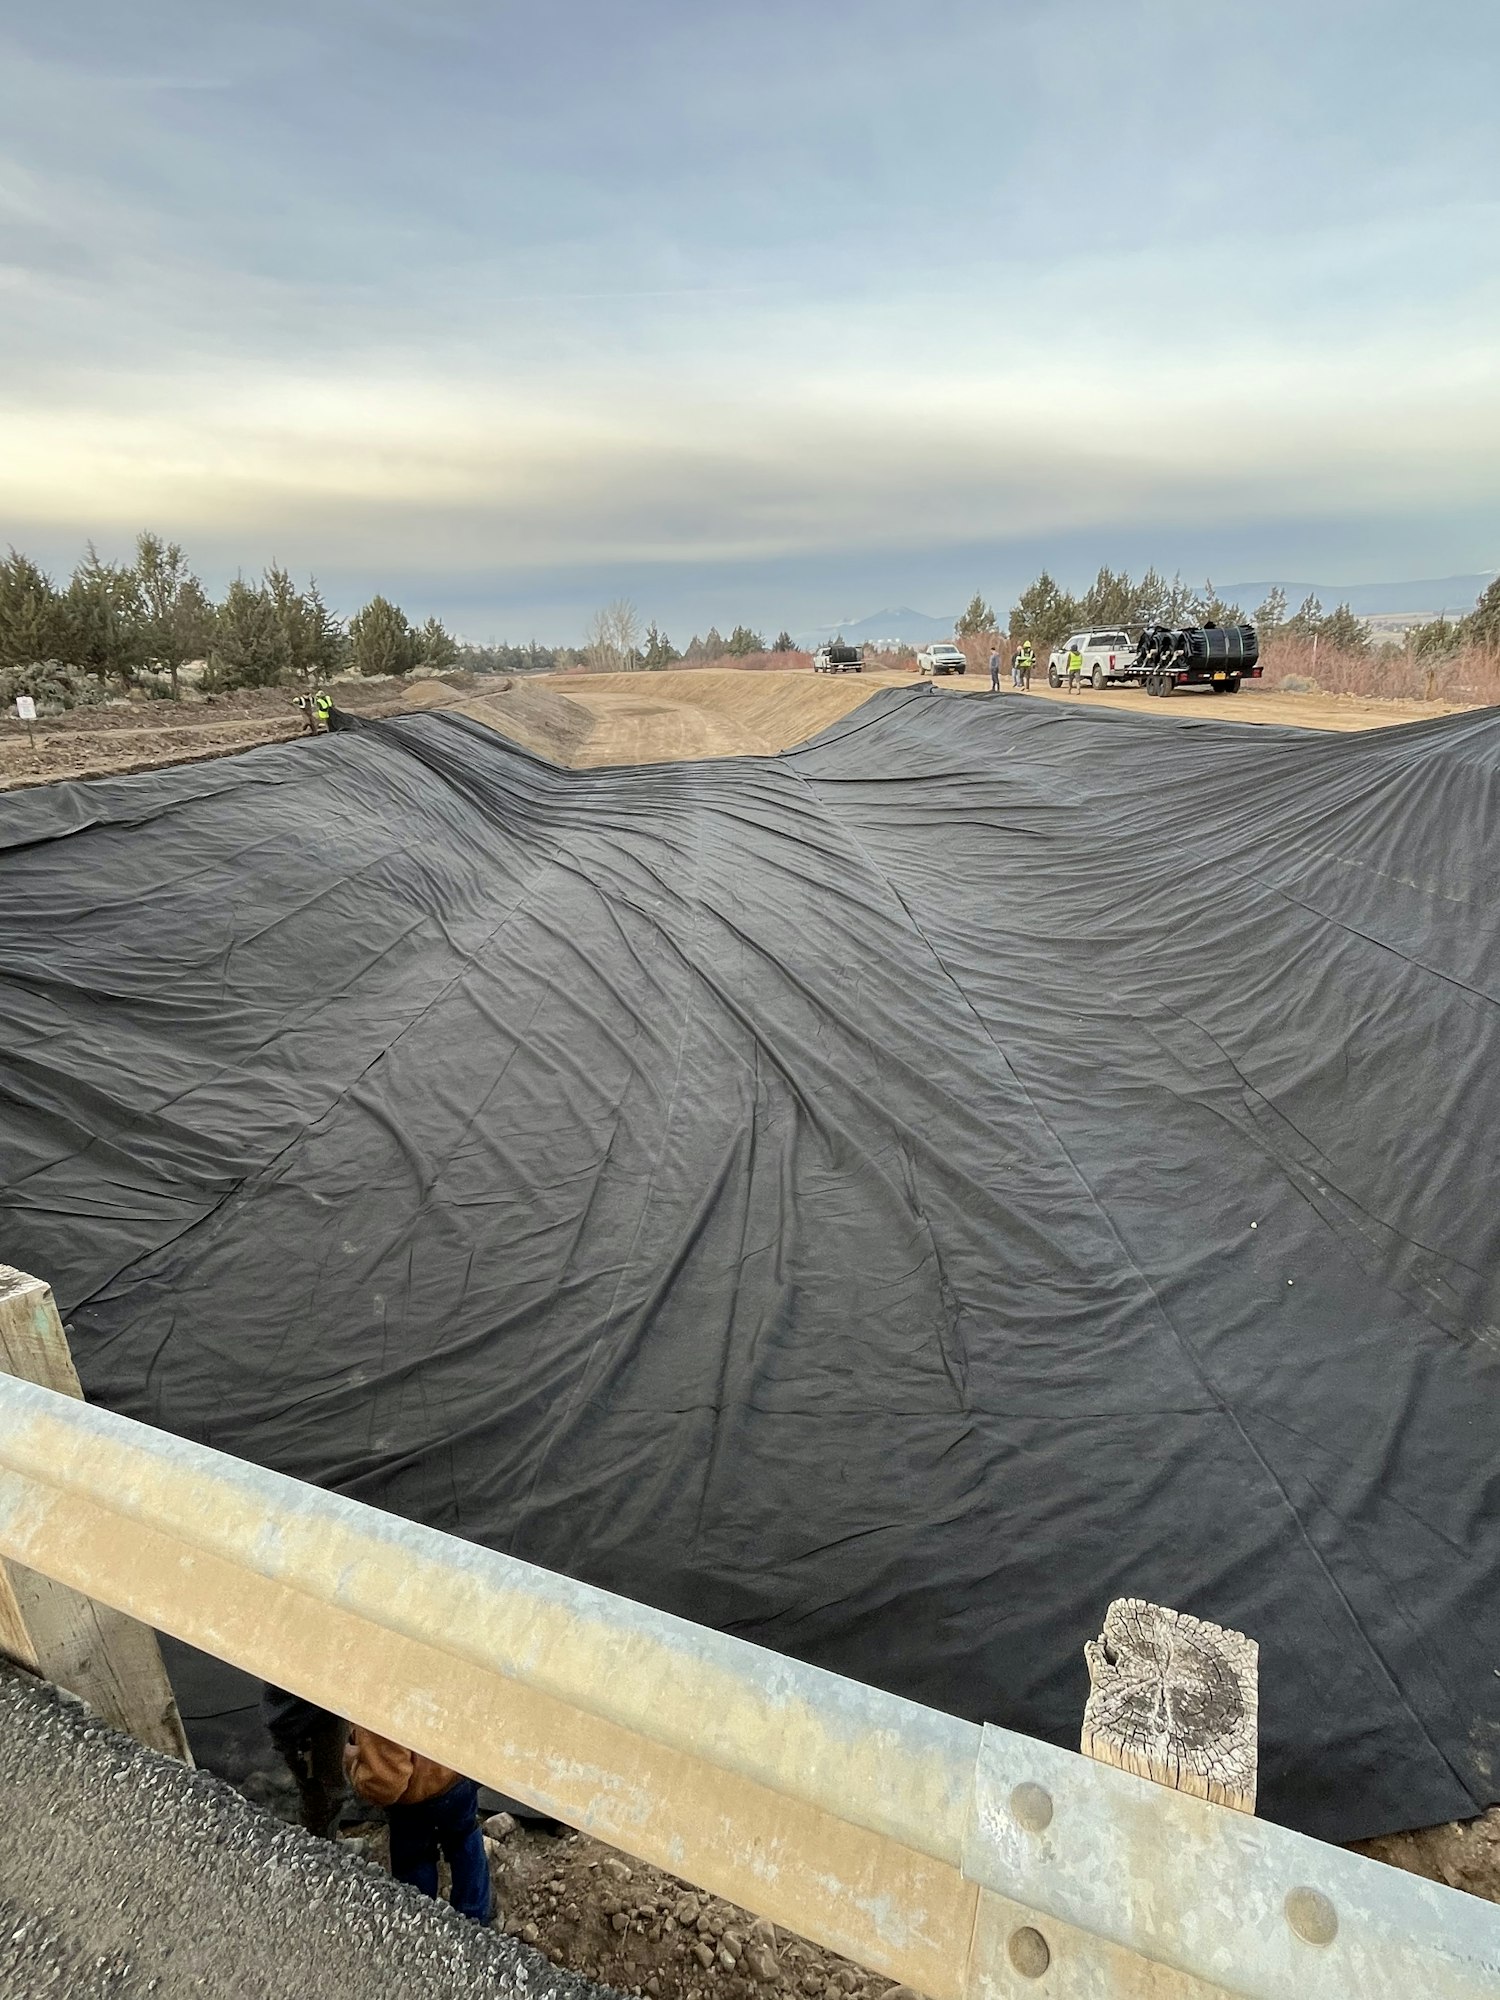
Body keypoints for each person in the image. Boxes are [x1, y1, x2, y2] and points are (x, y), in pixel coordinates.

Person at [345, 1726, 493, 1923]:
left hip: (414, 1801)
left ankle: (418, 1922)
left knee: (414, 1859)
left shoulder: (379, 1706)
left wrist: (353, 1767)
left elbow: (386, 1784)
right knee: (464, 1838)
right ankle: (475, 1920)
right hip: (458, 1775)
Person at [262, 1685, 348, 1838]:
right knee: (324, 1795)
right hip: (306, 1720)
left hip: (322, 1706)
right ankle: (318, 1845)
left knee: (327, 1791)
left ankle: (323, 1840)